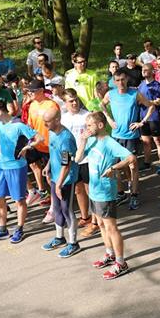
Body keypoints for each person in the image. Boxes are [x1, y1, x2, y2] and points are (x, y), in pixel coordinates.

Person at [78, 111, 137, 280]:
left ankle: (121, 263)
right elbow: (77, 158)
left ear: (100, 125)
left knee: (111, 227)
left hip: (105, 192)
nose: (87, 129)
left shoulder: (110, 143)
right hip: (94, 191)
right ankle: (110, 254)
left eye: (89, 125)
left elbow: (131, 157)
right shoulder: (90, 140)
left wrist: (113, 168)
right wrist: (83, 140)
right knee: (101, 225)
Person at [0, 100, 39, 244]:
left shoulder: (18, 125)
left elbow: (39, 138)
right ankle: (2, 229)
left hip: (16, 167)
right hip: (2, 167)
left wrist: (26, 147)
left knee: (19, 200)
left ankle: (19, 229)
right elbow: (0, 139)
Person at [101, 72, 153, 210]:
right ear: (114, 81)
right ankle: (121, 193)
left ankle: (134, 195)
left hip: (131, 136)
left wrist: (141, 122)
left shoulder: (135, 94)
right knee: (117, 166)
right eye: (117, 80)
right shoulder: (110, 94)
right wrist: (108, 118)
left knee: (133, 165)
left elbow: (151, 106)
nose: (121, 83)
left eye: (123, 79)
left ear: (127, 79)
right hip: (116, 136)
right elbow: (102, 105)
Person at [41, 107, 81, 258]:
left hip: (66, 179)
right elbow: (53, 153)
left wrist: (59, 184)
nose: (44, 124)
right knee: (56, 208)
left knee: (67, 210)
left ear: (57, 120)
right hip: (55, 177)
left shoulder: (66, 139)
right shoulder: (52, 132)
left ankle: (73, 243)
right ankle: (59, 238)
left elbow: (67, 164)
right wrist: (48, 166)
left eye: (47, 121)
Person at [61, 89, 94, 235]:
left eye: (76, 99)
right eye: (71, 101)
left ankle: (95, 221)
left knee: (90, 189)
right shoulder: (63, 118)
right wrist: (64, 162)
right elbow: (62, 142)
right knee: (78, 190)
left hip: (87, 157)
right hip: (72, 159)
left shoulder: (86, 116)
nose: (74, 103)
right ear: (65, 103)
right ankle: (85, 217)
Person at [25, 80, 59, 207]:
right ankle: (43, 192)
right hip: (37, 144)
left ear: (40, 91)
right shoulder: (32, 105)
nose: (29, 93)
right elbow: (30, 124)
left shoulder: (51, 105)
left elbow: (57, 125)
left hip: (50, 146)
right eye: (29, 91)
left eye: (32, 91)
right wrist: (29, 140)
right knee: (31, 165)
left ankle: (57, 201)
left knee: (50, 176)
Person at [137, 63, 160, 175]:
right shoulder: (141, 85)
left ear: (152, 71)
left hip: (154, 117)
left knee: (157, 141)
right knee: (145, 142)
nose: (143, 71)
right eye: (142, 69)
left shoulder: (157, 85)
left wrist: (147, 102)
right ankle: (147, 163)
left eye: (146, 69)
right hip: (143, 116)